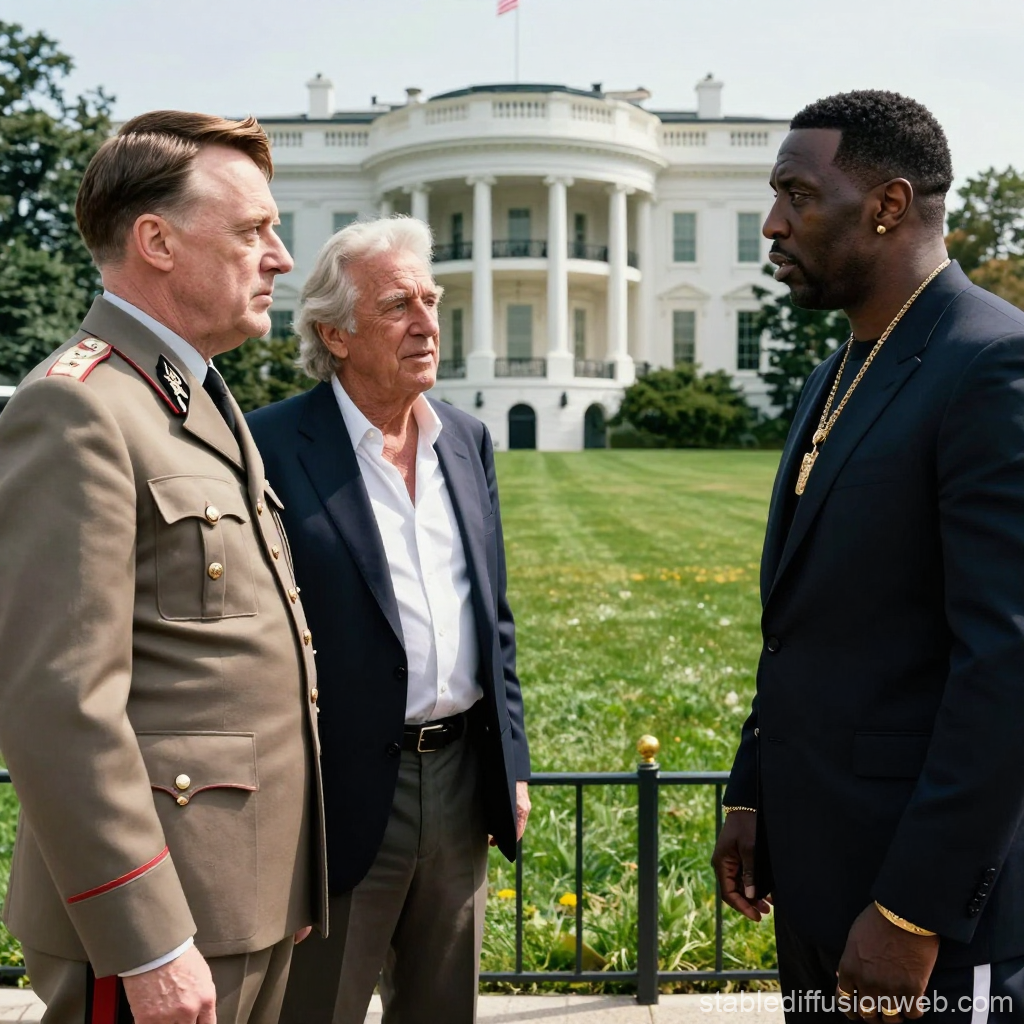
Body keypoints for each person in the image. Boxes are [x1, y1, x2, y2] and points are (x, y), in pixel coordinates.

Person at [0, 111, 326, 1024]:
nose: (280, 257)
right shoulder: (79, 410)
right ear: (157, 241)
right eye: (254, 230)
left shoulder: (191, 396)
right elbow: (58, 705)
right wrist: (146, 936)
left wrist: (284, 874)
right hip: (159, 923)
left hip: (239, 894)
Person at [712, 90, 1024, 1021]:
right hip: (817, 879)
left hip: (921, 916)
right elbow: (811, 623)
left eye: (797, 195)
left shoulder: (991, 366)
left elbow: (1006, 665)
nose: (773, 224)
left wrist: (914, 909)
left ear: (887, 206)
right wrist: (751, 789)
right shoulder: (838, 370)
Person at [246, 216, 531, 1024]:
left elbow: (494, 619)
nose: (427, 323)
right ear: (335, 334)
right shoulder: (268, 447)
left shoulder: (466, 441)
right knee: (317, 1007)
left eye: (431, 300)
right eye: (398, 305)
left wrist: (510, 758)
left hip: (460, 781)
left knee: (445, 1009)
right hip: (333, 795)